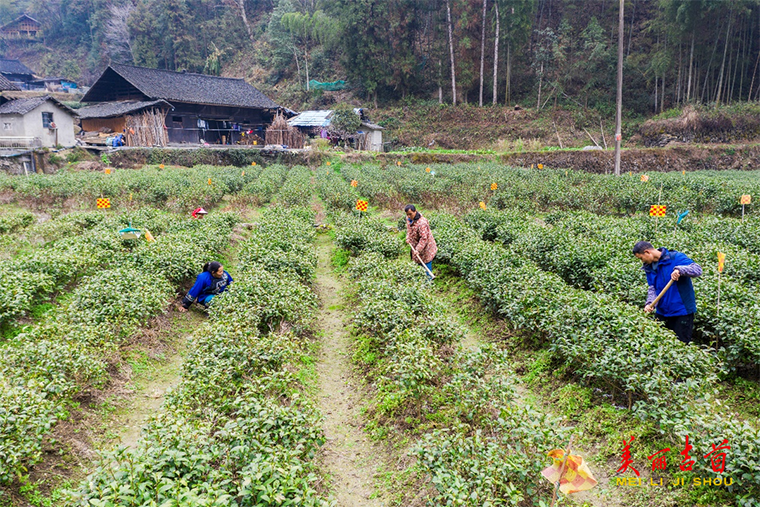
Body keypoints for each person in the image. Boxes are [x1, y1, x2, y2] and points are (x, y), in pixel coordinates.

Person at [633, 241, 702, 344]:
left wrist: (680, 270)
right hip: (662, 312)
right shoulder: (649, 268)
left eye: (641, 258)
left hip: (681, 312)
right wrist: (650, 303)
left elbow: (697, 270)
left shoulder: (675, 258)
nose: (642, 261)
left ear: (647, 252)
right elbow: (652, 288)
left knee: (681, 345)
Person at [405, 204, 437, 280]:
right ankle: (421, 282)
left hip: (426, 248)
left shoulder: (422, 223)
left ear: (415, 211)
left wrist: (418, 249)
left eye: (410, 214)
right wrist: (408, 237)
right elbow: (409, 229)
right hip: (415, 246)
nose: (409, 216)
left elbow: (424, 238)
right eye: (407, 214)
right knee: (418, 265)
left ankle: (429, 283)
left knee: (426, 264)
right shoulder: (409, 219)